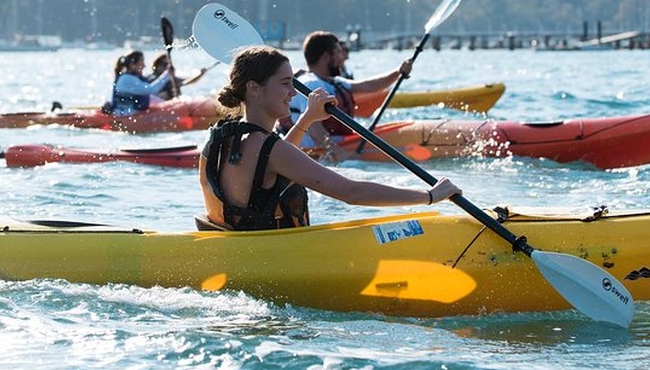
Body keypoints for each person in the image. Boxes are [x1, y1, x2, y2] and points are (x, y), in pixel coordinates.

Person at [198, 45, 461, 231]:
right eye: (285, 83)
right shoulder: (272, 150)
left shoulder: (220, 140)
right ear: (254, 89)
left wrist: (307, 119)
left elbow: (267, 168)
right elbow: (351, 192)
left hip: (238, 249)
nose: (293, 92)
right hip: (273, 257)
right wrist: (429, 195)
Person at [277, 30, 412, 161]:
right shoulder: (311, 84)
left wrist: (398, 72)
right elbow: (313, 126)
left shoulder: (333, 81)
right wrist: (337, 153)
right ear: (325, 57)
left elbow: (369, 86)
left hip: (336, 144)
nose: (342, 58)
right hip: (313, 152)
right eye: (338, 52)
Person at [108, 50, 174, 116]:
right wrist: (167, 74)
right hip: (123, 115)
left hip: (132, 113)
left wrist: (170, 104)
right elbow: (152, 89)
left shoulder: (133, 77)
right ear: (132, 65)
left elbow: (149, 96)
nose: (144, 65)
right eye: (141, 62)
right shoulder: (127, 79)